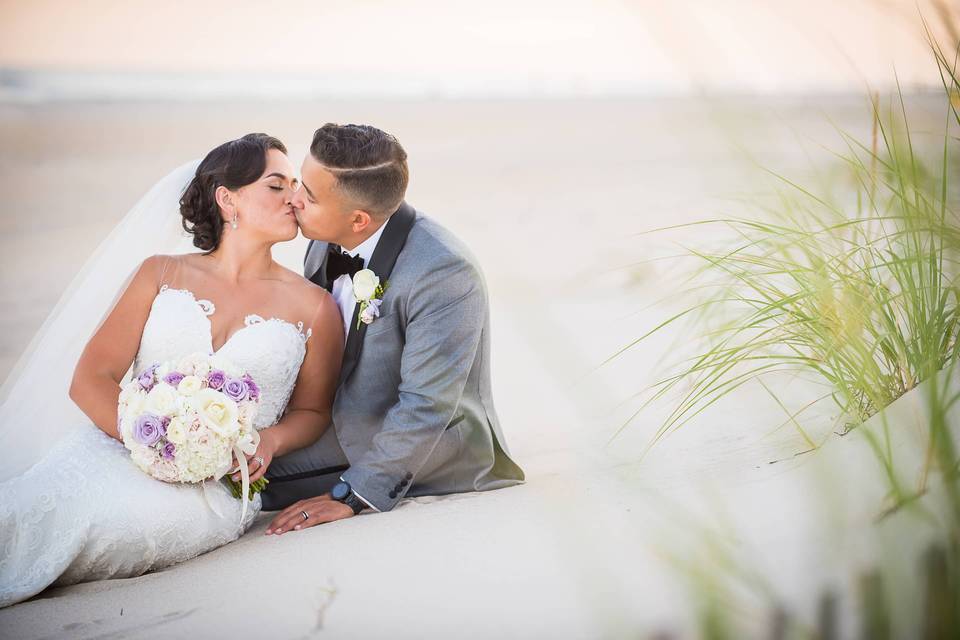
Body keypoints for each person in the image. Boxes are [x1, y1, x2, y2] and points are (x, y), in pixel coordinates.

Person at [0, 133, 343, 608]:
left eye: (296, 185)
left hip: (215, 485)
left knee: (100, 523)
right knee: (30, 506)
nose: (295, 198)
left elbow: (312, 410)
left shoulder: (316, 307)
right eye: (276, 185)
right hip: (114, 448)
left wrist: (272, 440)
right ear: (228, 199)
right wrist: (154, 441)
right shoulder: (159, 273)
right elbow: (90, 379)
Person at [261, 123, 524, 534]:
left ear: (359, 220)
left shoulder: (442, 272)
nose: (293, 199)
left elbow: (426, 405)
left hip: (414, 446)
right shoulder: (325, 236)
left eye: (308, 196)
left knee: (235, 476)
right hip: (331, 416)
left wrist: (354, 494)